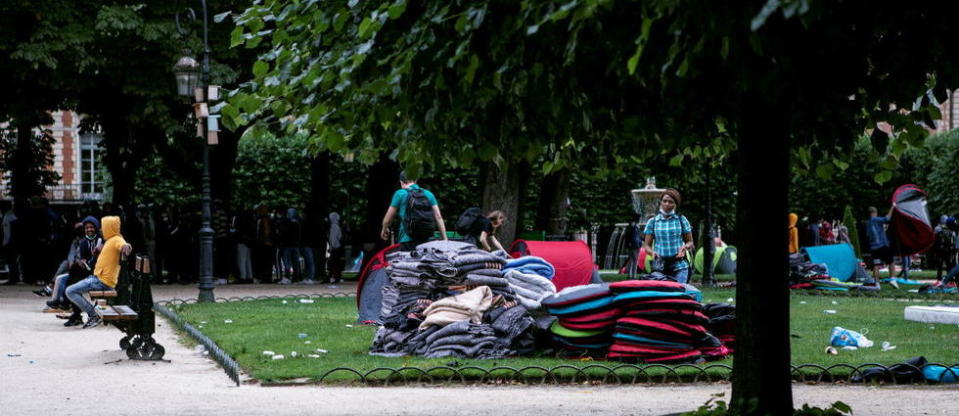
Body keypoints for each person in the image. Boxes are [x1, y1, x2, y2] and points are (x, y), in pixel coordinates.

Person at [64, 216, 132, 329]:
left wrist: (127, 247)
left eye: (103, 227)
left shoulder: (116, 239)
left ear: (110, 228)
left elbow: (124, 245)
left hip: (101, 281)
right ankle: (85, 314)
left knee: (70, 291)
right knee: (72, 281)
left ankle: (93, 315)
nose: (101, 230)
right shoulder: (110, 240)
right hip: (98, 278)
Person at [46, 217, 103, 327]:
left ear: (96, 228)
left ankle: (71, 308)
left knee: (71, 280)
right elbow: (81, 257)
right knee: (69, 277)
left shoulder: (101, 241)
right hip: (85, 270)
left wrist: (93, 257)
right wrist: (81, 261)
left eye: (92, 227)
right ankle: (70, 307)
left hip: (97, 272)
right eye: (87, 228)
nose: (89, 230)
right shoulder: (83, 242)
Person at [380, 172, 448, 251]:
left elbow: (388, 220)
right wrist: (445, 239)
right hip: (427, 240)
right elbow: (438, 217)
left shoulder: (400, 194)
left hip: (407, 240)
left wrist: (384, 229)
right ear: (416, 180)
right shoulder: (428, 194)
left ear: (401, 182)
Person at [642, 188, 694, 284]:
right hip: (660, 267)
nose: (667, 204)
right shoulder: (652, 222)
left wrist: (684, 247)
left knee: (678, 294)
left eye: (671, 202)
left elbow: (690, 242)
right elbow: (646, 245)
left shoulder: (681, 220)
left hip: (680, 266)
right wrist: (652, 252)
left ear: (676, 204)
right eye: (664, 201)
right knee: (662, 296)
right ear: (660, 202)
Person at [866, 205, 898, 283]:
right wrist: (892, 207)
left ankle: (876, 282)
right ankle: (893, 279)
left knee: (876, 265)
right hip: (882, 245)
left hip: (874, 247)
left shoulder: (868, 223)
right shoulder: (876, 219)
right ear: (874, 213)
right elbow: (887, 218)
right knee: (891, 262)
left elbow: (868, 235)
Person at [326, 212, 345, 283]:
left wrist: (332, 247)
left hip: (335, 247)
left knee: (333, 263)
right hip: (337, 247)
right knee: (336, 263)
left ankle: (331, 277)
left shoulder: (334, 227)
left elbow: (333, 239)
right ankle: (336, 277)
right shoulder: (337, 226)